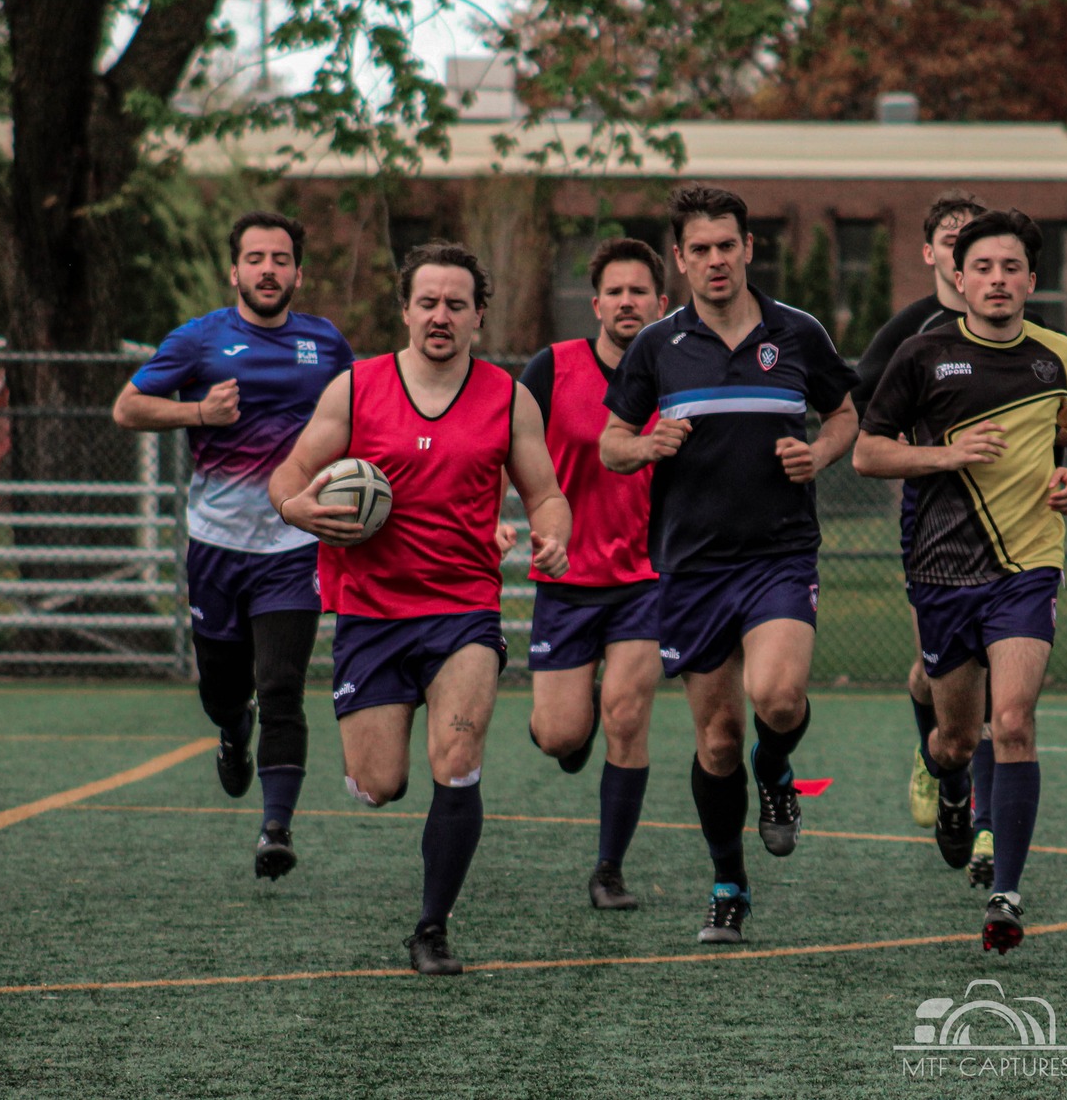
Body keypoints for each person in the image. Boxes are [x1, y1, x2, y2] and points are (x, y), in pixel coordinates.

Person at [268, 242, 571, 975]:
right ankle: (370, 770)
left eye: (456, 303)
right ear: (405, 309)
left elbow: (546, 492)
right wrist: (298, 507)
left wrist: (553, 534)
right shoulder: (356, 388)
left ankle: (431, 926)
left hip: (463, 609)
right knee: (381, 783)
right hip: (370, 612)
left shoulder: (508, 397)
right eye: (428, 301)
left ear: (478, 315)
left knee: (457, 757)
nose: (441, 315)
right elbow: (290, 475)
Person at [601, 184, 859, 946]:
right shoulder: (658, 344)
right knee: (716, 738)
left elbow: (847, 412)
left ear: (749, 248)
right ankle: (728, 883)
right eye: (699, 249)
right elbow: (611, 440)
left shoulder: (798, 332)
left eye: (727, 245)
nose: (715, 260)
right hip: (692, 565)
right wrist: (644, 445)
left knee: (777, 698)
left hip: (779, 551)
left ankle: (776, 773)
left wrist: (818, 453)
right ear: (679, 259)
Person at [855, 209, 1067, 953]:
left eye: (1012, 268)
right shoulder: (922, 354)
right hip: (942, 571)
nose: (998, 280)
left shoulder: (1057, 355)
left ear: (1033, 279)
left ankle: (1006, 892)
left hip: (1028, 565)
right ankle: (951, 785)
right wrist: (947, 454)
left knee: (1017, 719)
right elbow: (869, 454)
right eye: (984, 268)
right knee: (958, 736)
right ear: (958, 278)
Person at [112, 211, 353, 880]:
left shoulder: (327, 344)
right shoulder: (199, 340)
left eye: (280, 258)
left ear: (298, 273)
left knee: (281, 686)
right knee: (224, 689)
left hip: (294, 541)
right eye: (255, 258)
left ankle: (275, 828)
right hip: (215, 545)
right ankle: (228, 728)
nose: (268, 269)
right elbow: (127, 408)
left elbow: (362, 416)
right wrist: (197, 412)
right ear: (234, 270)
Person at [849, 193, 999, 882]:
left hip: (1015, 522)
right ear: (931, 253)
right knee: (941, 672)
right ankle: (935, 750)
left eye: (975, 236)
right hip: (936, 520)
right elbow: (862, 415)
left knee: (1004, 681)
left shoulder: (1020, 326)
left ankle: (990, 828)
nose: (962, 246)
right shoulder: (912, 333)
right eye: (950, 236)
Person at [516, 238, 669, 911]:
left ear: (662, 304)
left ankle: (609, 868)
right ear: (597, 301)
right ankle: (568, 728)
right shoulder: (551, 368)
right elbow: (505, 450)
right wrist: (506, 520)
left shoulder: (681, 372)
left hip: (649, 577)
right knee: (560, 733)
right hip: (567, 577)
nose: (629, 301)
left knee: (627, 715)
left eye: (642, 291)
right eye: (617, 290)